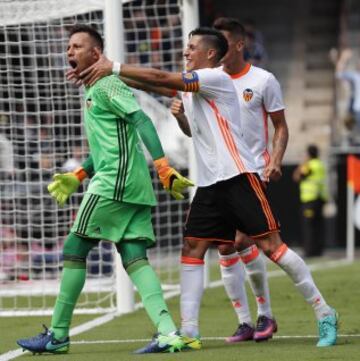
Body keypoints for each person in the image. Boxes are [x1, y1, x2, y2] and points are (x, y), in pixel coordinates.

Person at [73, 26, 338, 348]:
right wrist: (99, 74)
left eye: (192, 47)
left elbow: (158, 78)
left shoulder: (216, 78)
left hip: (239, 176)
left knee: (272, 248)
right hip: (211, 184)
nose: (186, 51)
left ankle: (324, 312)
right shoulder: (190, 87)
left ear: (211, 54)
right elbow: (152, 87)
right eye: (186, 46)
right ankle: (190, 331)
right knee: (193, 249)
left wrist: (112, 67)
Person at [16, 25, 194, 355]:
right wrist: (80, 173)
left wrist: (164, 166)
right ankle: (169, 332)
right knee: (134, 256)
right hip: (130, 183)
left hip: (115, 182)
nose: (69, 51)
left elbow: (143, 121)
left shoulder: (107, 85)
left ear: (96, 54)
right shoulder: (94, 89)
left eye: (77, 46)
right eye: (68, 47)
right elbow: (107, 148)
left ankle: (57, 335)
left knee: (74, 246)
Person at [170, 16, 288, 343]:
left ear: (235, 45)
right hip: (216, 172)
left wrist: (275, 160)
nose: (216, 49)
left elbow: (280, 125)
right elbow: (197, 133)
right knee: (224, 247)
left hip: (250, 167)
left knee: (242, 241)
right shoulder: (204, 82)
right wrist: (181, 117)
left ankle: (265, 314)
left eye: (220, 42)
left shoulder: (262, 80)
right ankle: (245, 321)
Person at [293, 144, 328, 257]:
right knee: (318, 225)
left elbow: (297, 176)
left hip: (310, 200)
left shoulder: (310, 165)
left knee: (309, 226)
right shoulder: (320, 164)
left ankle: (309, 251)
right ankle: (318, 250)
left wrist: (303, 163)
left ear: (308, 154)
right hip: (320, 198)